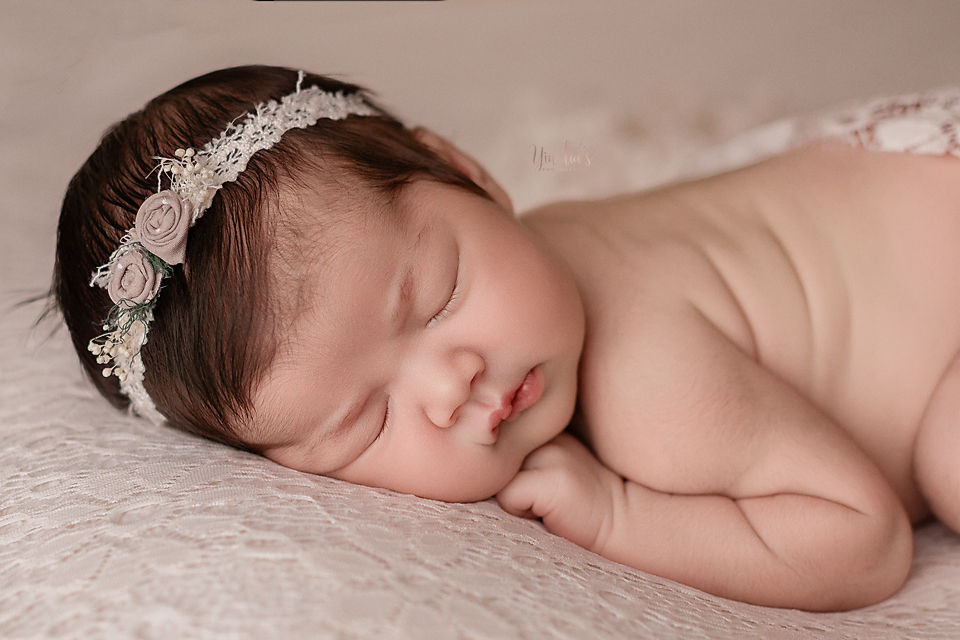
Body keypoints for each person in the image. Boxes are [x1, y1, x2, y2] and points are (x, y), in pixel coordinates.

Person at [53, 65, 960, 611]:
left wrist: (620, 515)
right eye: (368, 422)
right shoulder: (540, 255)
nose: (451, 385)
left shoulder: (651, 382)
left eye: (439, 296)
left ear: (467, 171)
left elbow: (863, 537)